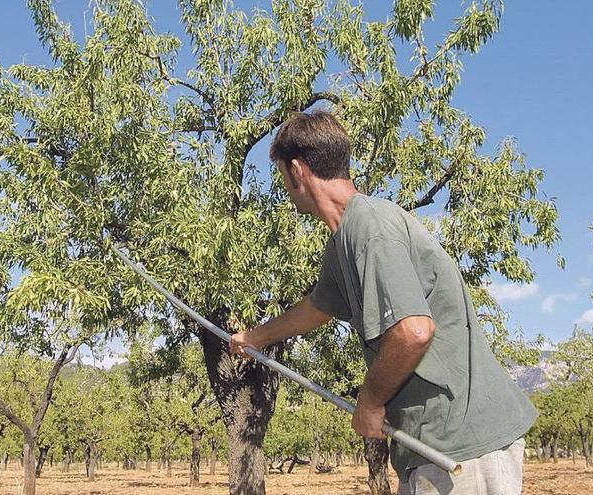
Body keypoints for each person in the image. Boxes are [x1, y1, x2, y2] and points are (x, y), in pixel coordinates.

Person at [229, 111, 536, 495]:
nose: (285, 187)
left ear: (297, 170)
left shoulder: (370, 228)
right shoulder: (344, 240)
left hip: (460, 444)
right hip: (432, 442)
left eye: (282, 176)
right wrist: (256, 337)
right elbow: (318, 306)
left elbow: (413, 332)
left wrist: (370, 402)